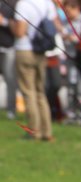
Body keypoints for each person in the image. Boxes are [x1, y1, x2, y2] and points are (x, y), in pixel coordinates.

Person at [12, 0, 56, 141]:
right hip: (41, 51)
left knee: (28, 92)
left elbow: (20, 32)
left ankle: (34, 131)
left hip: (25, 49)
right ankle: (46, 131)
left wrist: (8, 23)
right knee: (40, 92)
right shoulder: (48, 3)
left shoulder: (23, 4)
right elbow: (54, 25)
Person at [0, 1, 17, 120]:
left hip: (8, 47)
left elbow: (18, 26)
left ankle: (11, 110)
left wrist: (4, 22)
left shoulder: (14, 3)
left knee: (10, 79)